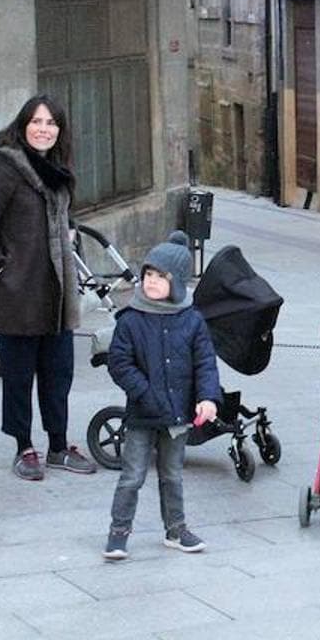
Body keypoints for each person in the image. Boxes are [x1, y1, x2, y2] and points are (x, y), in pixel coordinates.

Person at [0, 95, 97, 481]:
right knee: (19, 377)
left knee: (58, 373)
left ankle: (58, 446)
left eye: (52, 123)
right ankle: (24, 447)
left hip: (57, 293)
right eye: (37, 122)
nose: (44, 129)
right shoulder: (6, 171)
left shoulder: (56, 170)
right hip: (18, 293)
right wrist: (1, 269)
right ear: (23, 126)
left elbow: (59, 216)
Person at [102, 233, 221, 560]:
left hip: (179, 414)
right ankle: (118, 531)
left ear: (178, 282)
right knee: (132, 476)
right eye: (148, 275)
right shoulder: (131, 319)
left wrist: (208, 397)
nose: (152, 282)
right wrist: (145, 393)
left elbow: (205, 363)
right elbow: (120, 363)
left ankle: (176, 529)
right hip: (143, 415)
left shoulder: (192, 320)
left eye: (161, 276)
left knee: (172, 474)